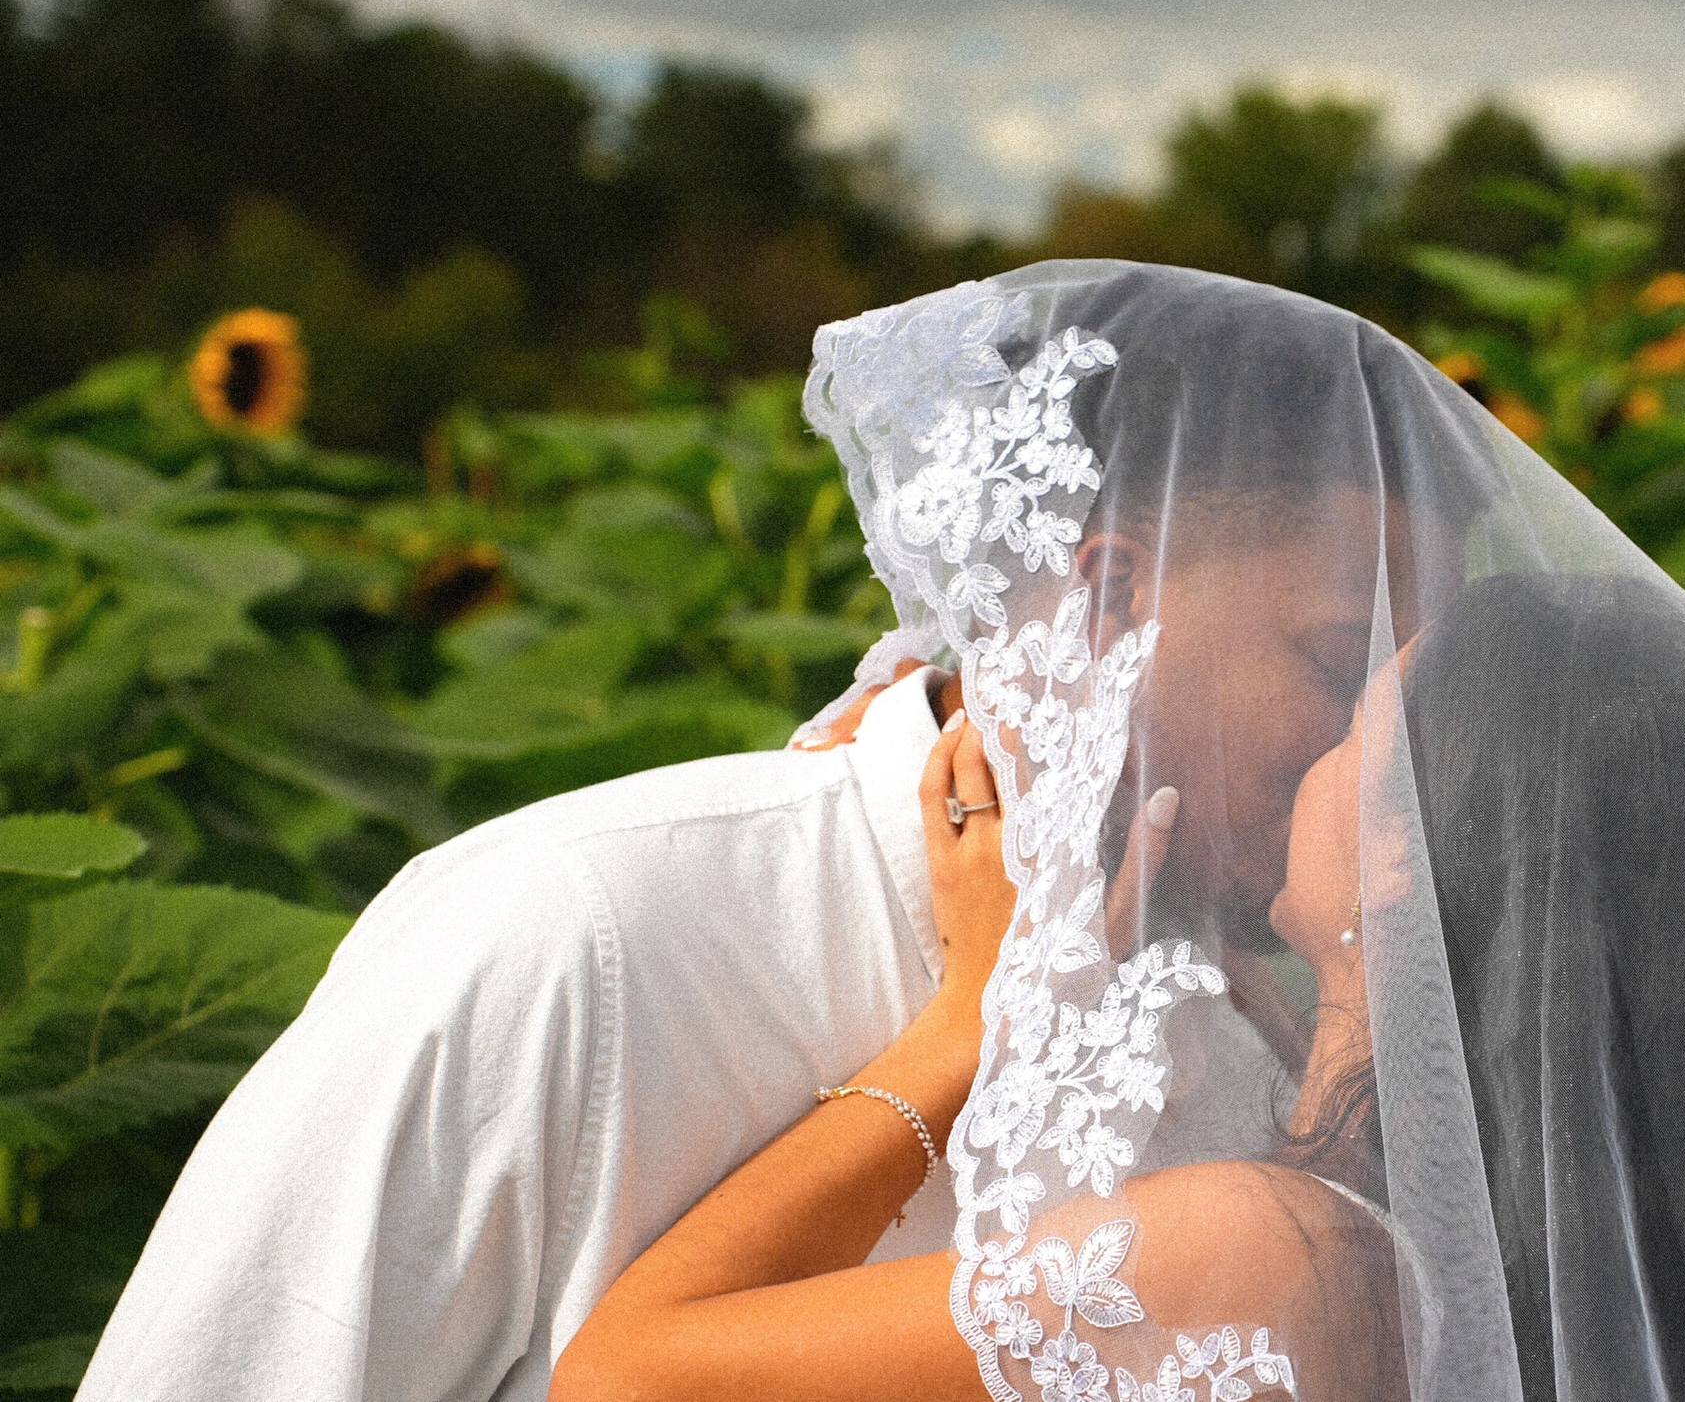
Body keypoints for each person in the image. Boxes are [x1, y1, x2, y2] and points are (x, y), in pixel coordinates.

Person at [553, 265, 1685, 1402]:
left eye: (1376, 711)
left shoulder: (1279, 1256)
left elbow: (623, 1374)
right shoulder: (1537, 1252)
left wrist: (960, 1037)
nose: (1329, 737)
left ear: (1420, 858)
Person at [76, 263, 1448, 1402]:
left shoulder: (1285, 1056)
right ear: (1109, 597)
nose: (1375, 754)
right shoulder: (576, 935)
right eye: (1338, 662)